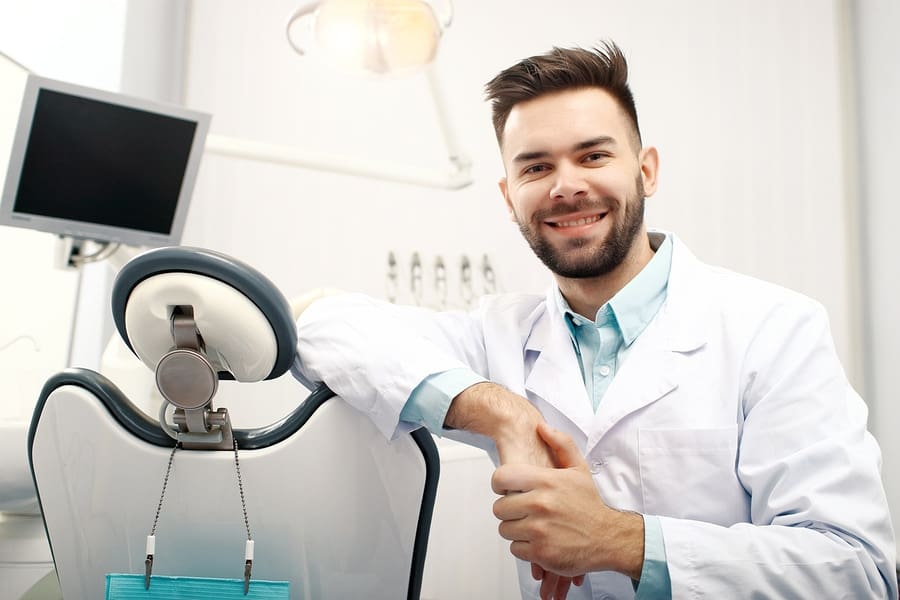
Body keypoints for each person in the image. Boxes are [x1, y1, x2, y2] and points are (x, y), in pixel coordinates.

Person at [291, 41, 898, 599]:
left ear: (646, 170)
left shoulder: (774, 329)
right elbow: (318, 324)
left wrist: (620, 540)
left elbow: (856, 570)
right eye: (535, 168)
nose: (566, 186)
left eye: (593, 155)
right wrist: (501, 412)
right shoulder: (494, 336)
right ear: (509, 198)